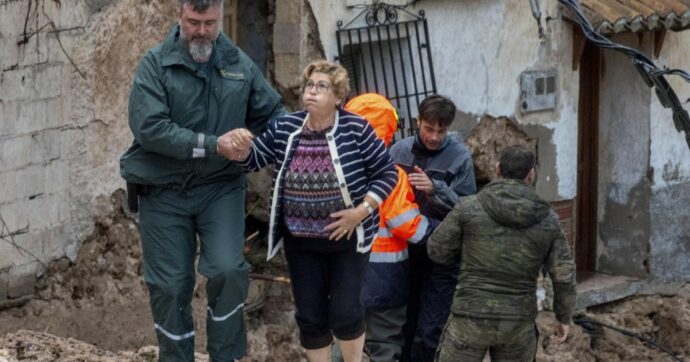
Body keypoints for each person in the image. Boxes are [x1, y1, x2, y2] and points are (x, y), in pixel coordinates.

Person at [119, 0, 284, 360]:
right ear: (179, 16)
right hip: (162, 190)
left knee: (228, 269)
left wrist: (273, 141)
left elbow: (274, 114)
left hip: (219, 189)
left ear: (220, 18)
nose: (202, 31)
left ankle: (224, 356)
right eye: (194, 22)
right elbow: (150, 128)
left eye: (210, 23)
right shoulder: (155, 65)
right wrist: (213, 145)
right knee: (170, 285)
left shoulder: (238, 64)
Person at [223, 61, 398, 362]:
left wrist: (361, 211)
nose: (312, 91)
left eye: (321, 87)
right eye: (309, 86)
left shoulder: (356, 128)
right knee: (311, 315)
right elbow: (254, 158)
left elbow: (387, 173)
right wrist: (238, 148)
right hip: (301, 241)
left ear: (338, 96)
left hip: (347, 239)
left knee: (345, 313)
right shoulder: (285, 127)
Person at [428, 145, 576, 361]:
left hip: (470, 317)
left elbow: (436, 251)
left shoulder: (468, 207)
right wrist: (563, 316)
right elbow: (564, 274)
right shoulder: (548, 218)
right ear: (531, 174)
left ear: (498, 169)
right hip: (517, 323)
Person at [331, 94, 434, 362]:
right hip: (384, 282)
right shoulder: (390, 173)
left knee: (342, 346)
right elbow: (408, 226)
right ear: (386, 128)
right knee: (384, 348)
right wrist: (436, 229)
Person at [389, 94, 477, 362]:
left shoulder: (459, 157)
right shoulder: (398, 151)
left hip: (442, 256)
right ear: (418, 121)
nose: (435, 136)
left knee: (430, 332)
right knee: (403, 325)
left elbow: (468, 208)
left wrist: (434, 189)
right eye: (429, 128)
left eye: (442, 130)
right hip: (402, 253)